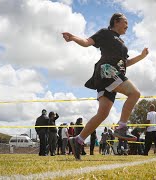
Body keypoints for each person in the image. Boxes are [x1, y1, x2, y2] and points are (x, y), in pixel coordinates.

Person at [63, 13, 149, 160]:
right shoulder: (105, 33)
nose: (127, 26)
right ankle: (121, 127)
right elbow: (86, 42)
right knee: (134, 93)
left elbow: (125, 63)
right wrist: (73, 38)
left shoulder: (121, 42)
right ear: (116, 22)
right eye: (125, 22)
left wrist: (141, 57)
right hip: (107, 72)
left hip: (112, 75)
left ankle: (78, 140)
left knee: (103, 114)